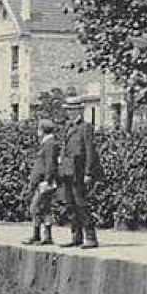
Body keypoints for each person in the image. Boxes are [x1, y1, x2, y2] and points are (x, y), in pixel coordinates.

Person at [59, 103, 102, 248]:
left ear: (79, 111)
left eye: (72, 110)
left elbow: (90, 151)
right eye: (68, 110)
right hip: (67, 171)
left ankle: (90, 237)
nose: (69, 113)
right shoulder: (68, 127)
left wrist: (88, 172)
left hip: (79, 171)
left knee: (81, 204)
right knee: (70, 204)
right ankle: (76, 236)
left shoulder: (85, 127)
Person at [24, 118, 61, 245]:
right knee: (44, 208)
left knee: (35, 207)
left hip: (45, 182)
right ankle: (43, 236)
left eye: (38, 129)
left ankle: (40, 235)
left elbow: (50, 164)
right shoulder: (47, 143)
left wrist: (47, 180)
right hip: (42, 181)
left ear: (42, 130)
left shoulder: (50, 143)